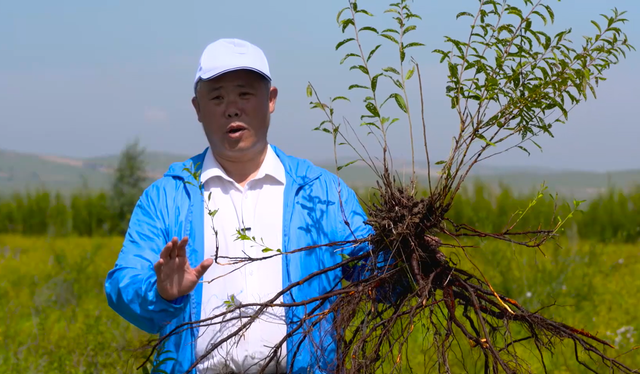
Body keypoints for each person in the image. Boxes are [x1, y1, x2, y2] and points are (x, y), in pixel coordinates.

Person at [104, 38, 377, 374]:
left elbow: (375, 272)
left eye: (244, 94)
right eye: (217, 97)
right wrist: (161, 293)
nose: (231, 108)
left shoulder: (321, 192)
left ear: (271, 99)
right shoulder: (166, 198)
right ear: (197, 108)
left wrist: (407, 253)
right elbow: (123, 285)